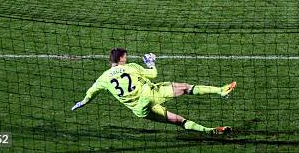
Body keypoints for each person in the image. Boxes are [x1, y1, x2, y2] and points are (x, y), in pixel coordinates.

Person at [72, 47, 236, 135]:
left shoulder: (103, 78)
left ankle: (209, 131)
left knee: (178, 121)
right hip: (150, 94)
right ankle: (220, 90)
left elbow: (90, 93)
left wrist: (83, 102)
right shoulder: (131, 67)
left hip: (140, 110)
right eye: (125, 56)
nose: (126, 58)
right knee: (186, 87)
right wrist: (151, 62)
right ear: (121, 58)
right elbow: (154, 74)